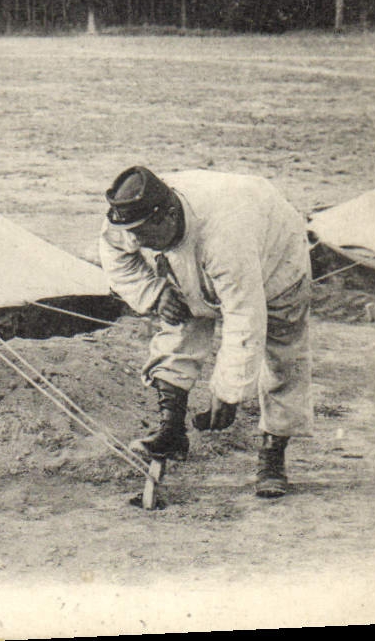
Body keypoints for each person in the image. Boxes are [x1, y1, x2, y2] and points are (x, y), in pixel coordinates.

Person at [99, 166, 313, 498]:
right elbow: (114, 253)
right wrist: (154, 293)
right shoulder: (134, 217)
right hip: (199, 252)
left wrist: (229, 392)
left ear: (167, 215)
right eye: (133, 234)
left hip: (276, 258)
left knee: (283, 354)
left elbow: (245, 318)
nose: (137, 242)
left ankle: (273, 454)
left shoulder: (227, 236)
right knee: (179, 323)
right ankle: (171, 429)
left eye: (143, 235)